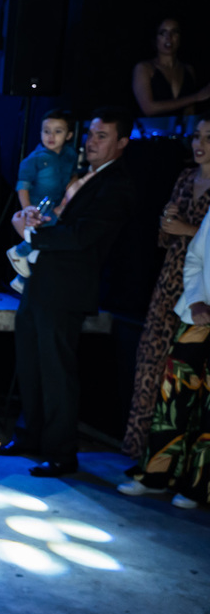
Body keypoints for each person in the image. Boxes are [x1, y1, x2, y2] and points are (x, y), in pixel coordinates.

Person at [0, 107, 137, 477]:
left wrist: (29, 233)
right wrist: (35, 221)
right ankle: (30, 435)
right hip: (42, 282)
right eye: (90, 134)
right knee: (31, 362)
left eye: (102, 136)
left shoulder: (116, 184)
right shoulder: (80, 176)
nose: (91, 142)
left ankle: (61, 453)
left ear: (122, 143)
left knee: (57, 371)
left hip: (68, 289)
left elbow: (83, 237)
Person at [121, 115, 210, 458]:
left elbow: (199, 238)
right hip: (170, 280)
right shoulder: (186, 177)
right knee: (151, 367)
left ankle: (180, 467)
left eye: (208, 137)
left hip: (200, 289)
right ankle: (142, 455)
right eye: (196, 135)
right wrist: (167, 225)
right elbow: (166, 237)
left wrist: (188, 229)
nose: (199, 143)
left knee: (186, 381)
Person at [118, 211, 210, 509]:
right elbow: (195, 257)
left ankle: (196, 488)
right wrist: (196, 300)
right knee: (172, 400)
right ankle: (156, 477)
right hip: (197, 316)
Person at [6, 110, 78, 293]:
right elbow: (22, 186)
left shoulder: (70, 156)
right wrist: (27, 210)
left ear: (69, 135)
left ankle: (22, 280)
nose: (51, 136)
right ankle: (19, 252)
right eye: (46, 131)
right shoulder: (35, 160)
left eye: (58, 131)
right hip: (39, 207)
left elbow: (71, 178)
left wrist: (69, 198)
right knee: (45, 232)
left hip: (58, 205)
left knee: (45, 247)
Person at [132, 18, 210, 119]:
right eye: (163, 33)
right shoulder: (144, 68)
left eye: (174, 32)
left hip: (180, 132)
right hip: (150, 132)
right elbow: (148, 108)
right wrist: (196, 97)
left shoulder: (188, 69)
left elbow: (189, 111)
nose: (169, 38)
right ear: (155, 39)